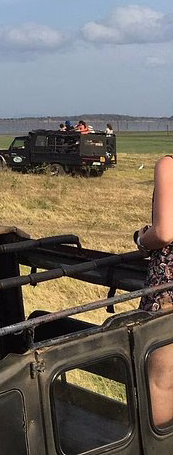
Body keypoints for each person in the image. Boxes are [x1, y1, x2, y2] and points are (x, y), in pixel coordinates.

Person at [134, 155, 173, 428]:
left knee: (161, 381)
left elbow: (164, 232)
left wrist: (141, 239)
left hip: (168, 290)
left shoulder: (169, 165)